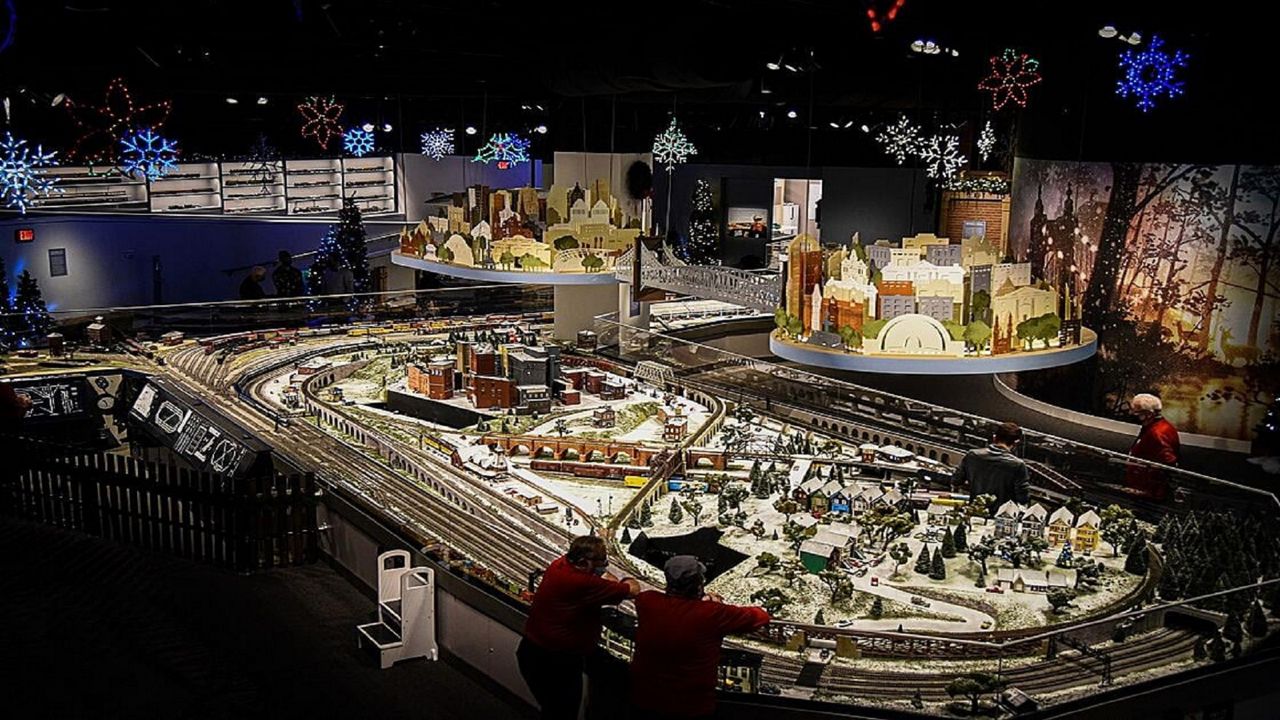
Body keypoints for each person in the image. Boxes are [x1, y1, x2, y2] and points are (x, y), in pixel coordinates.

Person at [629, 556, 771, 719]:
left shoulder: (647, 600)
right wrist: (714, 604)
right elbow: (760, 616)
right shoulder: (713, 613)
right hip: (691, 704)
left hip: (645, 697)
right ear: (699, 583)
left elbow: (674, 607)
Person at [519, 535, 640, 720]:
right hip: (557, 662)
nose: (604, 566)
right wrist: (627, 578)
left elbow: (604, 579)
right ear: (584, 562)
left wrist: (601, 574)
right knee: (563, 713)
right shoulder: (582, 583)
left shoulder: (560, 564)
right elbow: (633, 589)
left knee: (552, 710)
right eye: (602, 562)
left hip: (534, 651)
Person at [951, 421, 1030, 508]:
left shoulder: (972, 455)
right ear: (1016, 443)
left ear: (994, 438)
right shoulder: (1018, 465)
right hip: (1001, 514)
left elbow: (956, 481)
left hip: (976, 511)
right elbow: (1023, 498)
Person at [1125, 393, 1180, 500]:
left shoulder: (1157, 433)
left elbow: (1168, 461)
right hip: (1144, 487)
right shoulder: (1156, 426)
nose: (1132, 414)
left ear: (1149, 414)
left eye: (1137, 413)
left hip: (1148, 491)